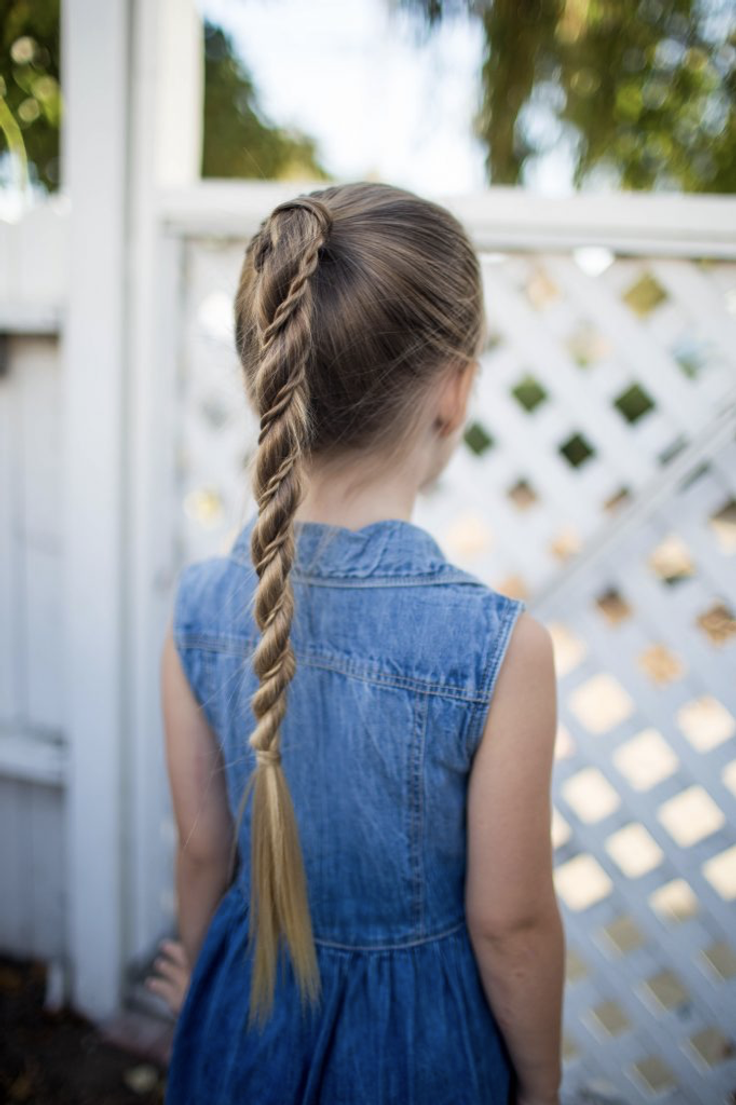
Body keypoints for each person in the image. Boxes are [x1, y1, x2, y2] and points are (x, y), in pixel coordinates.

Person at [155, 181, 565, 1105]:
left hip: (243, 1023)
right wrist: (539, 1082)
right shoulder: (500, 650)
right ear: (453, 390)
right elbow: (511, 923)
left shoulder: (198, 604)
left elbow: (200, 850)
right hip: (420, 1057)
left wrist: (208, 997)